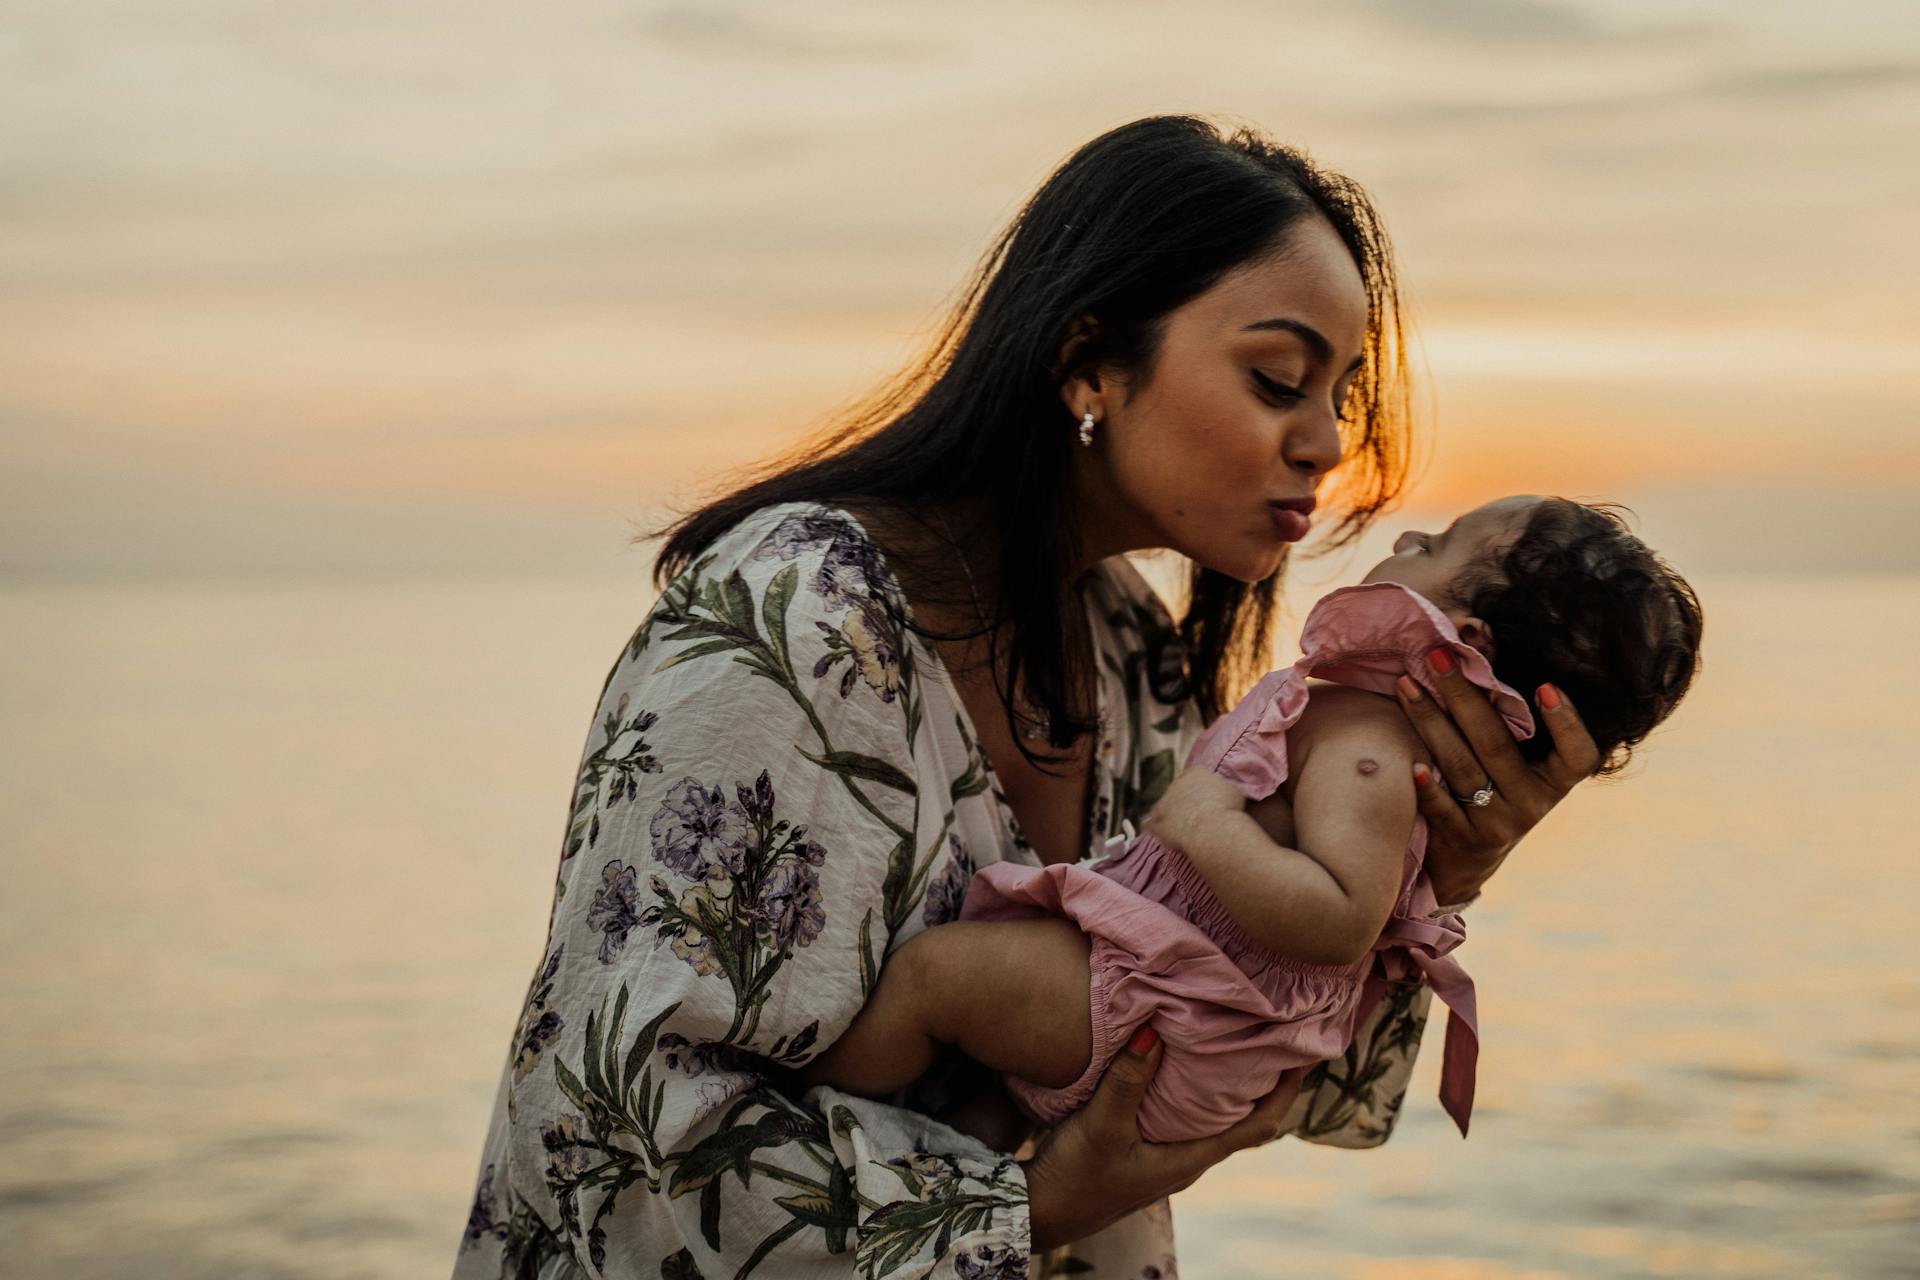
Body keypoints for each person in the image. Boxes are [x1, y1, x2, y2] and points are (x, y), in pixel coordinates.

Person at [451, 115, 1606, 1279]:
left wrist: (1432, 873)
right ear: (1089, 362)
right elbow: (612, 1149)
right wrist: (1041, 1198)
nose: (1326, 444)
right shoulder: (787, 626)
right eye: (1277, 379)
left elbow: (1279, 1077)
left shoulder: (1128, 652)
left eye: (1340, 396)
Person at [795, 495, 1704, 1148]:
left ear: (1463, 643)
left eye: (1440, 542)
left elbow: (1343, 919)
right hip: (1172, 998)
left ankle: (803, 1123)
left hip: (1174, 1010)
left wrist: (1201, 822)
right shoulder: (1350, 722)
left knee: (932, 978)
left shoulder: (1372, 750)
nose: (1408, 532)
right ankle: (961, 1174)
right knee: (992, 1107)